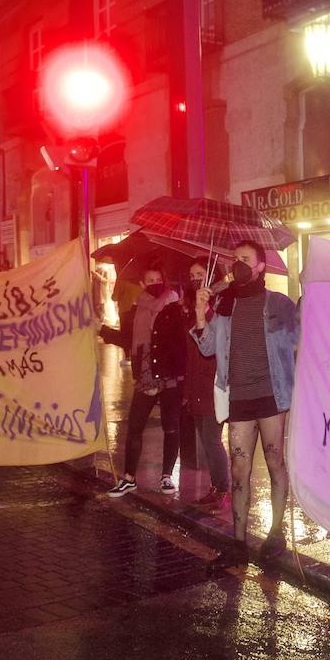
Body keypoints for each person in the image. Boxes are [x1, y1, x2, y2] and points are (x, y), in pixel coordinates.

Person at [193, 240, 299, 568]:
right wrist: (200, 312)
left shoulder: (279, 304)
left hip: (270, 396)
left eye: (245, 259)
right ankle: (238, 543)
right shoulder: (225, 305)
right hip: (238, 398)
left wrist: (311, 296)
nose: (238, 263)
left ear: (260, 267)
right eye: (235, 258)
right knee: (240, 469)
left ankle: (276, 532)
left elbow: (301, 335)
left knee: (275, 463)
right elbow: (208, 348)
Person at [106, 265, 178, 497]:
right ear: (143, 284)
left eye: (159, 278)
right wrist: (101, 331)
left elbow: (180, 344)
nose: (155, 282)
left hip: (169, 376)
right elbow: (127, 339)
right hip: (145, 375)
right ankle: (129, 478)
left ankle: (166, 476)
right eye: (150, 279)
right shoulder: (136, 309)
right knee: (135, 427)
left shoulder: (174, 305)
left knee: (171, 428)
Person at [185, 260, 231, 510]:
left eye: (200, 274)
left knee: (212, 439)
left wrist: (205, 311)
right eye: (192, 274)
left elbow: (217, 341)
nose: (195, 279)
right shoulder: (190, 305)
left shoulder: (221, 304)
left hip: (214, 382)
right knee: (205, 439)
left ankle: (223, 488)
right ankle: (216, 486)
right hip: (195, 384)